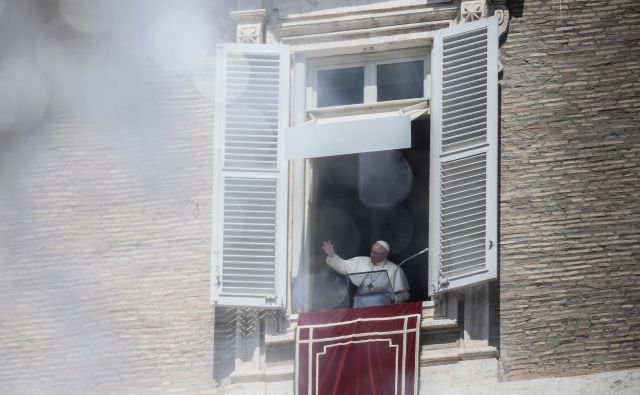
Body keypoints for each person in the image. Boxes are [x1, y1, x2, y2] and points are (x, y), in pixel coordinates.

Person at [321, 240, 410, 304]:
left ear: (385, 255)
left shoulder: (395, 270)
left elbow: (404, 295)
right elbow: (343, 266)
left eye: (376, 253)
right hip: (361, 306)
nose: (372, 255)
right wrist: (332, 255)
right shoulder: (361, 261)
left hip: (383, 310)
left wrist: (388, 296)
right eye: (372, 251)